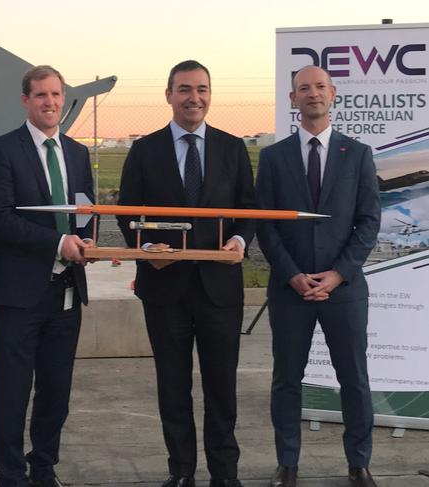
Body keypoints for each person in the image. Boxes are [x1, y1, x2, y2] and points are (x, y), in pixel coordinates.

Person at [116, 60, 256, 487]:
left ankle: (224, 473)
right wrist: (144, 249)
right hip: (165, 289)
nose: (193, 97)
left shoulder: (233, 148)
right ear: (169, 94)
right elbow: (127, 212)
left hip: (219, 291)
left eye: (201, 89)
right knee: (172, 387)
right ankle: (181, 472)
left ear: (210, 94)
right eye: (184, 89)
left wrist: (240, 242)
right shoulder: (144, 150)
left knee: (221, 389)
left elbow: (247, 212)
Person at [255, 65, 381, 487]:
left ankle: (358, 463)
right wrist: (291, 275)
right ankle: (287, 463)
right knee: (287, 380)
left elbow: (368, 222)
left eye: (320, 87)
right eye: (303, 89)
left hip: (343, 291)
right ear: (292, 99)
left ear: (333, 94)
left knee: (354, 381)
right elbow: (265, 224)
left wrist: (339, 274)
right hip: (290, 291)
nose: (312, 94)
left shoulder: (358, 154)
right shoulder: (273, 157)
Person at [0, 65, 94, 487]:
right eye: (41, 95)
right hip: (17, 295)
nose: (51, 102)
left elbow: (85, 211)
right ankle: (11, 475)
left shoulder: (79, 154)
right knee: (10, 393)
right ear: (25, 100)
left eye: (56, 95)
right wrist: (58, 244)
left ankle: (43, 468)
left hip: (66, 293)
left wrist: (88, 243)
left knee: (55, 392)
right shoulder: (3, 149)